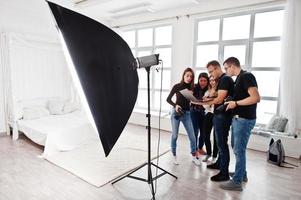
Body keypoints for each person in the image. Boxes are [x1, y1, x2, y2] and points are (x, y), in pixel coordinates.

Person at [220, 57, 260, 191]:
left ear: (232, 66)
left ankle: (237, 182)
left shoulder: (246, 76)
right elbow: (243, 97)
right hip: (238, 119)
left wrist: (235, 103)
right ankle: (242, 174)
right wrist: (232, 100)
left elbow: (255, 98)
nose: (225, 71)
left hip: (244, 120)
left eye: (226, 68)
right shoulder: (238, 79)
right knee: (237, 148)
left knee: (239, 150)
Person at [192, 60, 234, 181]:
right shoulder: (221, 80)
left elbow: (220, 99)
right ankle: (219, 164)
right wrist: (206, 99)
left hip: (223, 116)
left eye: (211, 71)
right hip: (219, 114)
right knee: (220, 143)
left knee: (222, 144)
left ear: (217, 68)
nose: (210, 74)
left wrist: (201, 102)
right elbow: (217, 96)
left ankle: (224, 173)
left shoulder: (225, 79)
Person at [166, 67, 200, 166]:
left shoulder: (193, 87)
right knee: (175, 135)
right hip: (176, 113)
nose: (189, 78)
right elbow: (168, 99)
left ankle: (194, 156)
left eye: (191, 76)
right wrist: (175, 105)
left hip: (187, 114)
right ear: (183, 76)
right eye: (187, 75)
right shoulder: (177, 86)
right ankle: (174, 155)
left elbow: (196, 100)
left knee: (193, 137)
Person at [190, 73, 209, 156]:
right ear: (198, 80)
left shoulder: (209, 89)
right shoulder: (194, 87)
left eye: (205, 81)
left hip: (204, 113)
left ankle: (200, 148)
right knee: (195, 132)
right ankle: (194, 149)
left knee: (203, 132)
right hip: (194, 112)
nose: (203, 82)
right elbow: (190, 98)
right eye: (201, 80)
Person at [201, 76, 218, 162]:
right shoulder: (207, 92)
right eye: (210, 80)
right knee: (205, 135)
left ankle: (215, 156)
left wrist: (210, 101)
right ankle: (208, 153)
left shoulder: (220, 91)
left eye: (214, 80)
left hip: (217, 115)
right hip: (208, 114)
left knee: (216, 137)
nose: (212, 82)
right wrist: (206, 102)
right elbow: (205, 106)